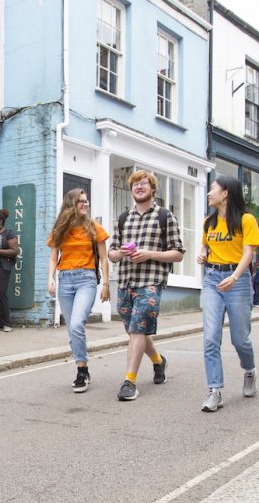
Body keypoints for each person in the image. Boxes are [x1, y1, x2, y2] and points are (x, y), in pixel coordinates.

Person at [108, 170, 184, 401]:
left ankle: (130, 381)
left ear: (152, 189)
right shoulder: (123, 218)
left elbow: (178, 253)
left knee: (138, 329)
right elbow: (111, 254)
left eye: (144, 184)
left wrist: (149, 254)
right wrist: (120, 253)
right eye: (135, 184)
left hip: (151, 282)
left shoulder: (164, 216)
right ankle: (159, 361)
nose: (139, 187)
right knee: (135, 331)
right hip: (125, 282)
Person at [196, 175, 259, 413]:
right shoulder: (209, 222)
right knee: (210, 337)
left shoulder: (246, 220)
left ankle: (250, 370)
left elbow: (248, 253)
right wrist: (203, 253)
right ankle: (215, 390)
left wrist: (234, 277)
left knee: (239, 338)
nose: (208, 193)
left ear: (225, 194)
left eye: (212, 189)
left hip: (238, 280)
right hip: (213, 278)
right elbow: (205, 245)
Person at [47, 188, 110, 393]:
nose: (86, 204)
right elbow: (54, 256)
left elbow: (104, 258)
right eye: (81, 201)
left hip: (86, 279)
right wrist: (50, 278)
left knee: (76, 324)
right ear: (71, 204)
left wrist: (107, 285)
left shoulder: (94, 228)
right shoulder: (60, 229)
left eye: (87, 201)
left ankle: (82, 371)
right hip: (65, 280)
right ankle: (82, 368)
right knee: (72, 329)